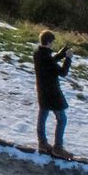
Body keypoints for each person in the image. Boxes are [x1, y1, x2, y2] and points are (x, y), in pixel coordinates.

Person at [33, 29, 72, 157]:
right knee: (62, 119)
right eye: (52, 42)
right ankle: (58, 148)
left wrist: (60, 54)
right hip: (53, 94)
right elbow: (63, 72)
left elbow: (50, 61)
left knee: (42, 116)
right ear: (49, 42)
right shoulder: (47, 59)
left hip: (42, 92)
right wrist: (68, 59)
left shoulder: (37, 53)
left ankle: (42, 143)